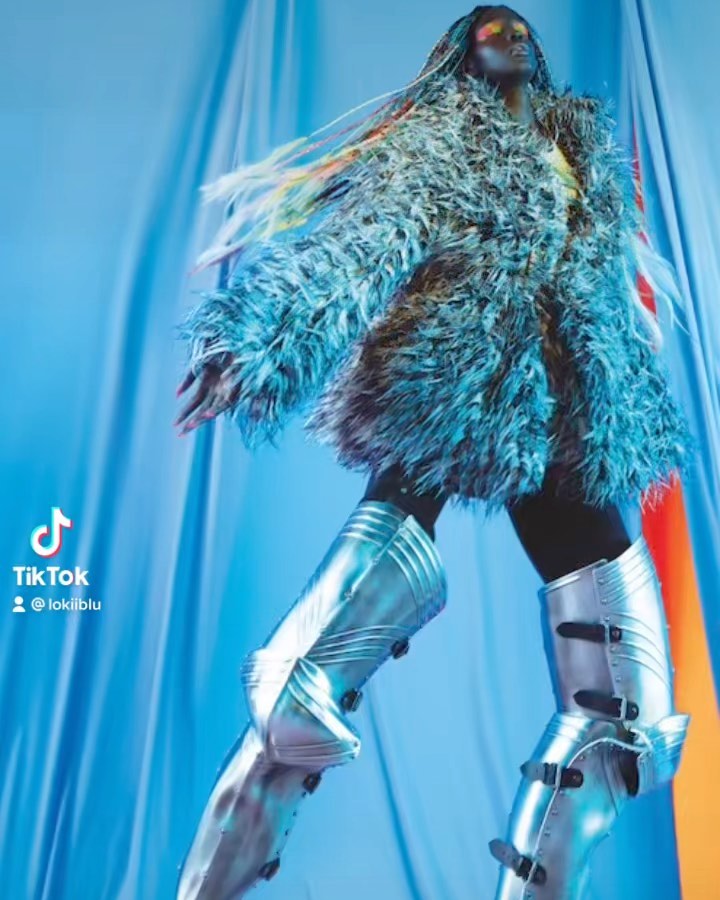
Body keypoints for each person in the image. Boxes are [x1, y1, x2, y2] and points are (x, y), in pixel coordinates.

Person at [174, 6, 696, 898]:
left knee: (625, 725)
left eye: (521, 24)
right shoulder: (439, 144)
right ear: (462, 50)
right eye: (491, 26)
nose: (514, 32)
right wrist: (256, 341)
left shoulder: (583, 156)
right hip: (454, 379)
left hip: (564, 417)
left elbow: (606, 294)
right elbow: (356, 250)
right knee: (303, 695)